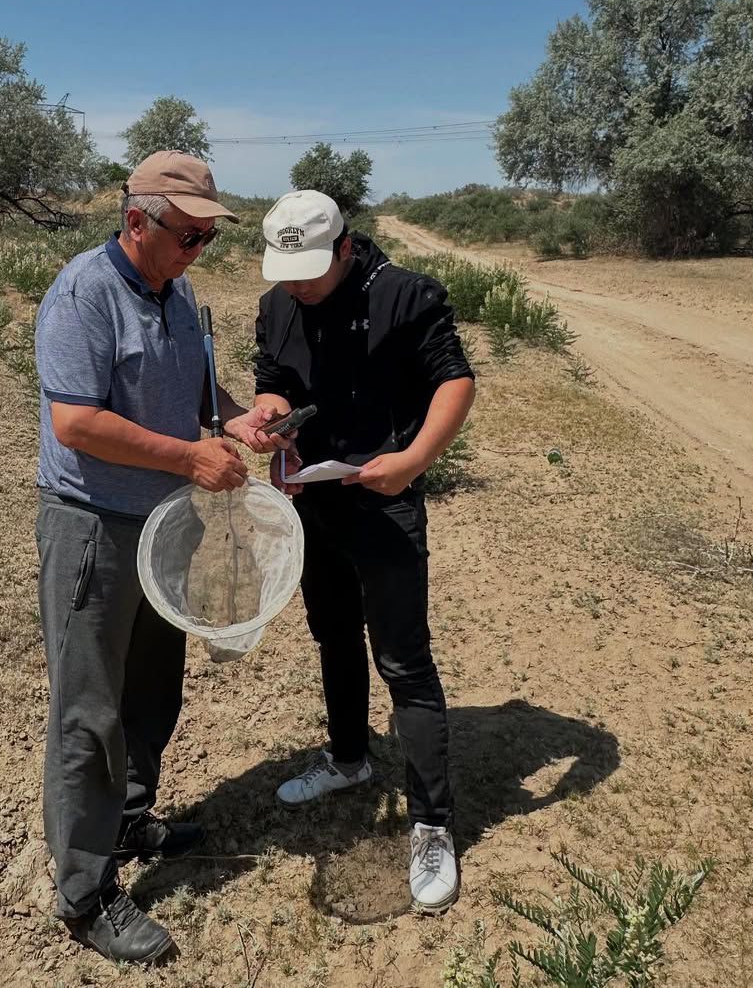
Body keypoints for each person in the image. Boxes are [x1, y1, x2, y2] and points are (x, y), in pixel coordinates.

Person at [34, 152, 282, 965]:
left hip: (160, 525)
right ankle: (85, 892)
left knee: (150, 691)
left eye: (208, 237)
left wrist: (244, 421)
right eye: (188, 235)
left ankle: (132, 817)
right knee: (89, 711)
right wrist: (188, 458)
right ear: (137, 219)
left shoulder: (180, 298)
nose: (198, 249)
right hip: (93, 527)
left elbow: (203, 402)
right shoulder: (83, 294)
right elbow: (76, 422)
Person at [253, 190, 475, 915]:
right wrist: (270, 417)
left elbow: (455, 381)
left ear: (347, 248)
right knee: (334, 638)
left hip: (385, 503)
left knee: (404, 661)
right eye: (287, 273)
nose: (298, 287)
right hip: (314, 501)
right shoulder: (278, 303)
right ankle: (348, 759)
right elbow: (276, 381)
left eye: (311, 273)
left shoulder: (408, 296)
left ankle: (432, 822)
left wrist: (412, 460)